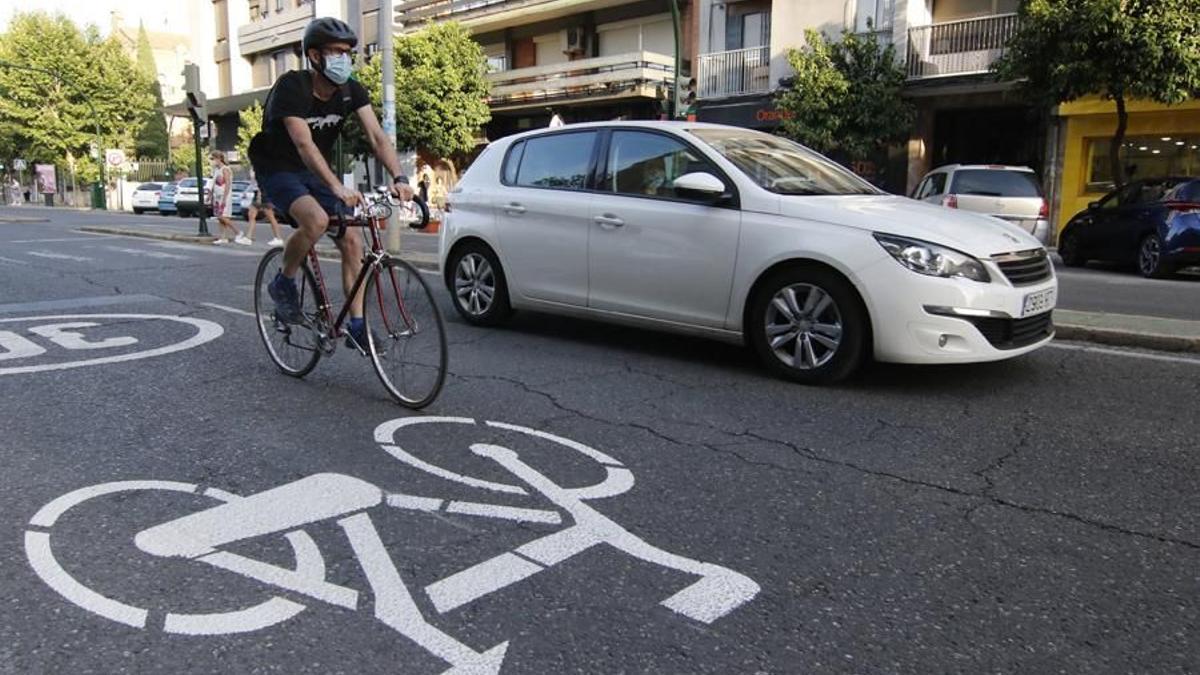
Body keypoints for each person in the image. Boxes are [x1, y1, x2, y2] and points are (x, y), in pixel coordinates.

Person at [249, 17, 412, 351]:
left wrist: (400, 177)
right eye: (336, 52)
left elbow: (377, 137)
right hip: (277, 167)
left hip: (313, 170)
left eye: (348, 52)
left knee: (352, 241)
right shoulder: (292, 86)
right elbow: (303, 142)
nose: (345, 59)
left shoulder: (351, 90)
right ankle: (283, 282)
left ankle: (357, 326)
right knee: (317, 220)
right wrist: (337, 187)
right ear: (314, 56)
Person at [209, 151, 247, 245]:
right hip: (217, 196)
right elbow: (213, 184)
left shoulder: (225, 169)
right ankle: (223, 237)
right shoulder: (216, 170)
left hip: (224, 196)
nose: (212, 161)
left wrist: (225, 198)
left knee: (222, 216)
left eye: (213, 159)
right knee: (219, 218)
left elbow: (228, 184)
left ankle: (237, 232)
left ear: (219, 159)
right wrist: (210, 195)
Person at [244, 178, 284, 246]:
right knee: (251, 215)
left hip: (262, 193)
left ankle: (278, 238)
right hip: (258, 193)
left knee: (270, 216)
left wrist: (259, 196)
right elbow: (253, 184)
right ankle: (248, 237)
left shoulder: (260, 172)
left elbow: (260, 182)